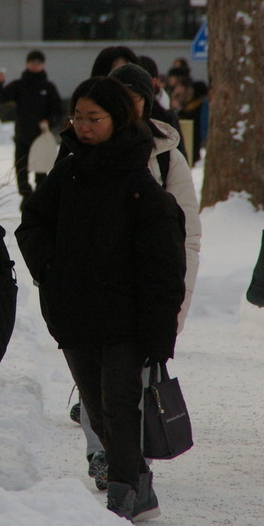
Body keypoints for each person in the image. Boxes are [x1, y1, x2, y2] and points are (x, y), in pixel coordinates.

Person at [16, 76, 186, 522]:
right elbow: (31, 222)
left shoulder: (137, 178)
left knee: (119, 404)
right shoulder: (68, 170)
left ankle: (126, 488)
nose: (84, 126)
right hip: (74, 312)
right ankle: (136, 484)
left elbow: (165, 261)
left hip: (125, 319)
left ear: (118, 120)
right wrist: (50, 271)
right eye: (77, 117)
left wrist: (159, 328)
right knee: (96, 408)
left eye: (94, 118)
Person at [64, 63, 200, 492]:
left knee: (127, 393)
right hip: (88, 298)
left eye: (133, 97)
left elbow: (185, 239)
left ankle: (131, 472)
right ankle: (105, 455)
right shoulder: (77, 153)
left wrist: (175, 307)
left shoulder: (163, 154)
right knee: (96, 390)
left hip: (137, 297)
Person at [0, 50, 64, 199]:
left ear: (43, 65)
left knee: (41, 168)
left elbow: (58, 111)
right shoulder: (20, 85)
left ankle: (41, 198)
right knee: (21, 168)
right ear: (27, 64)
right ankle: (26, 196)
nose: (35, 66)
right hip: (22, 135)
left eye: (38, 63)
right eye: (32, 63)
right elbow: (0, 97)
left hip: (41, 137)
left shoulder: (48, 87)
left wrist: (49, 121)